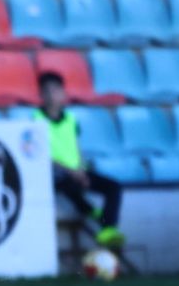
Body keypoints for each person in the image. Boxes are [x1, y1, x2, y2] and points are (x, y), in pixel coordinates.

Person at [37, 71, 125, 249]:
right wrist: (71, 172)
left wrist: (82, 170)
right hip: (54, 174)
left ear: (63, 93)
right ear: (41, 95)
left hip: (76, 171)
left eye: (55, 90)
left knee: (113, 187)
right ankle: (90, 210)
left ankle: (108, 228)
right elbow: (40, 155)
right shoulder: (35, 120)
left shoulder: (71, 120)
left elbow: (76, 149)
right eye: (47, 91)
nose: (51, 95)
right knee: (68, 184)